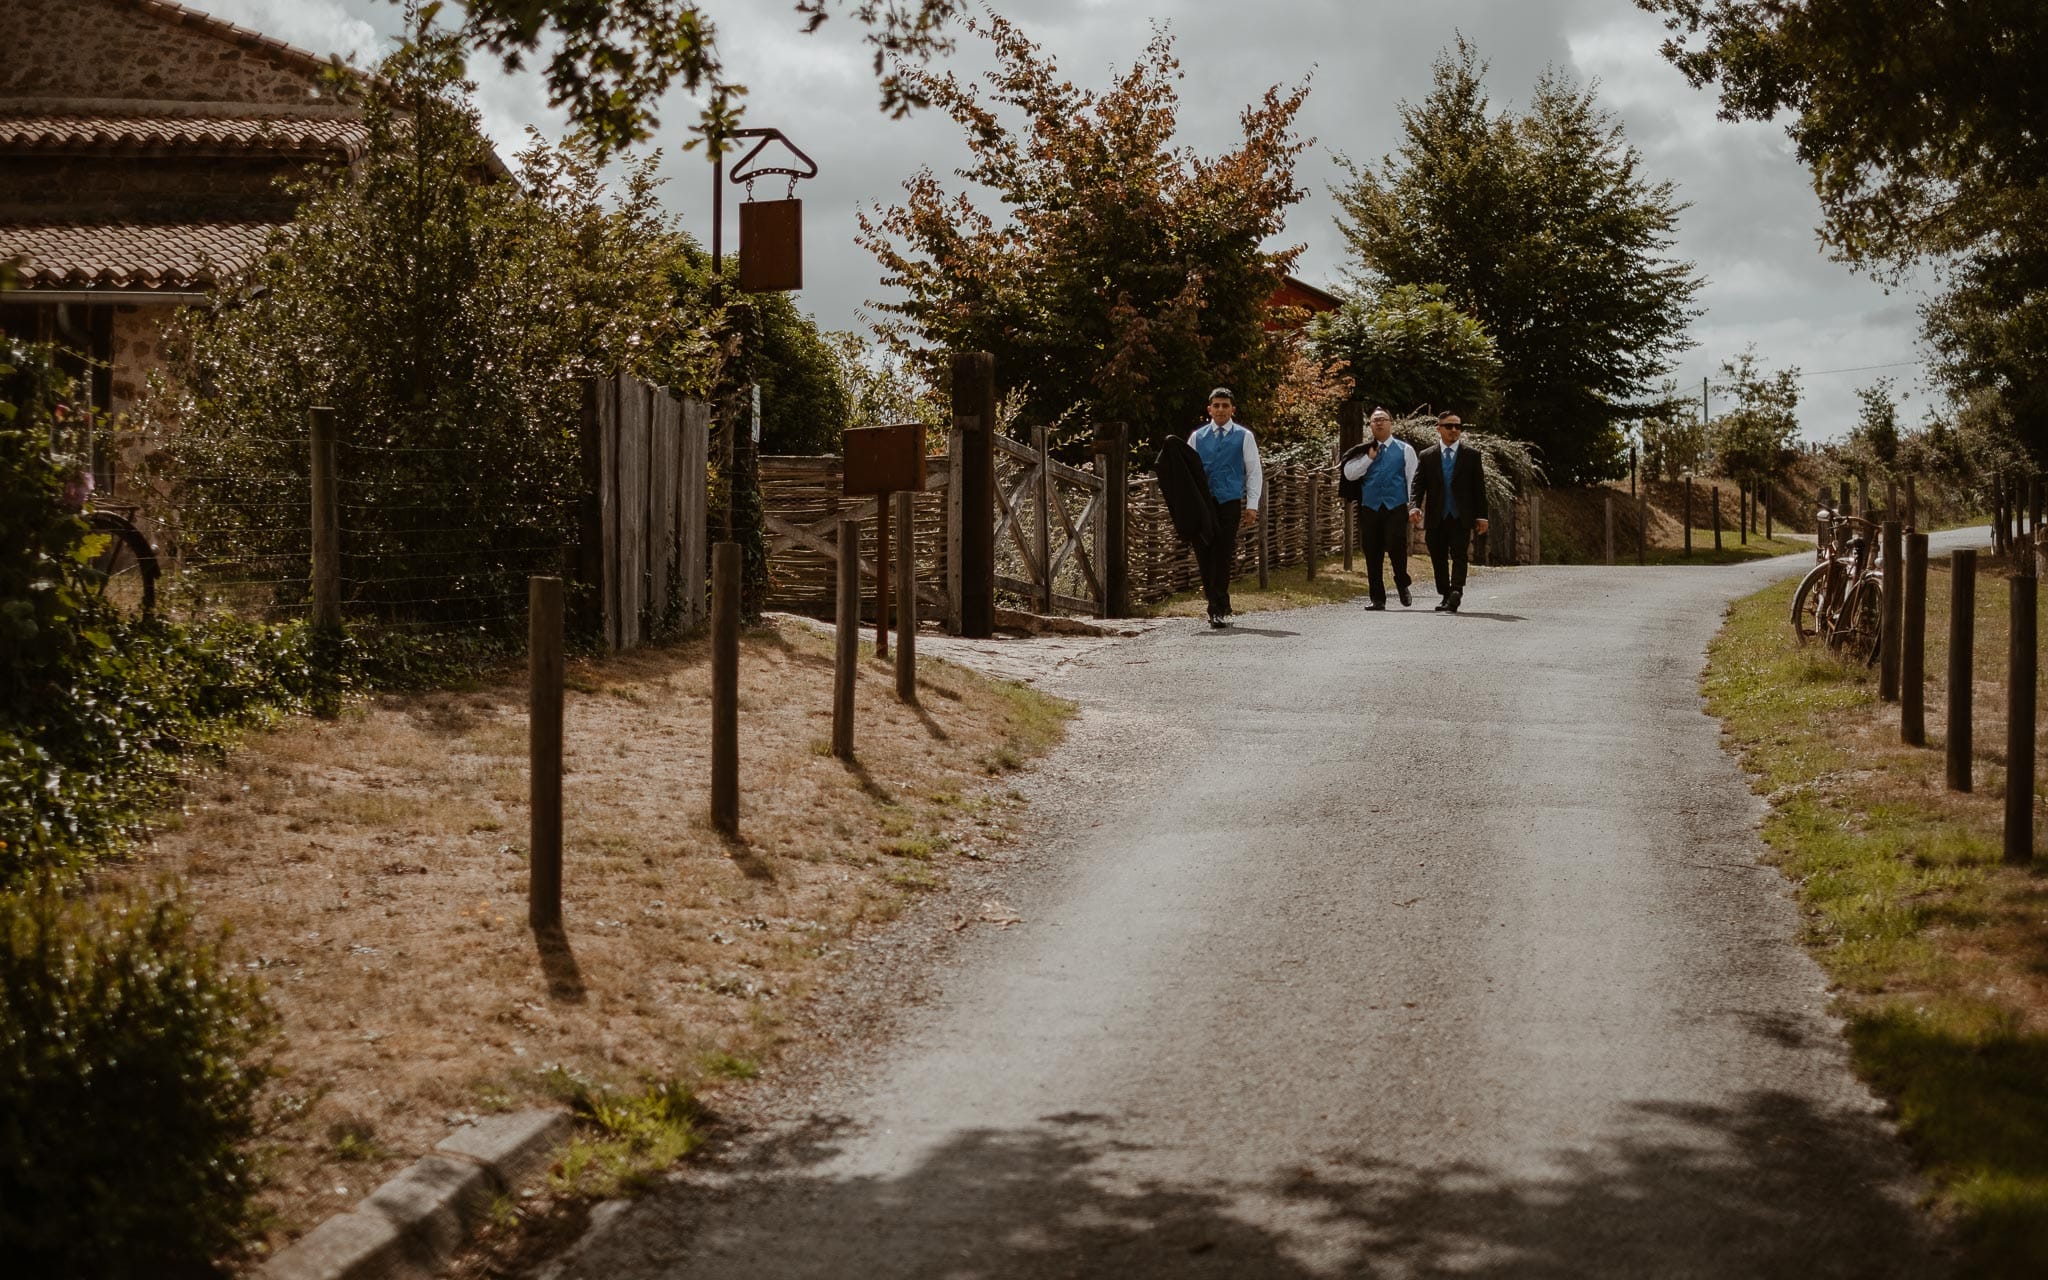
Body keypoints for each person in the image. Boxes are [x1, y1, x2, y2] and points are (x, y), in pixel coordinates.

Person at [1188, 387, 1263, 627]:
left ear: (1233, 409)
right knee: (1203, 552)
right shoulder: (1197, 437)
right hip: (1203, 504)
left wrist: (1252, 504)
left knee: (1222, 552)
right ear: (1209, 409)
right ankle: (1219, 601)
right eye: (1216, 405)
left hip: (1229, 501)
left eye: (1225, 405)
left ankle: (1215, 609)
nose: (1221, 410)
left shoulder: (1244, 436)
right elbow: (1188, 473)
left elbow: (1253, 472)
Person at [1339, 408, 1419, 609]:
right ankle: (1377, 598)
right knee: (1372, 552)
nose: (1379, 423)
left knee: (1396, 547)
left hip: (1395, 506)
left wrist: (1413, 507)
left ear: (1391, 423)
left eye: (1383, 419)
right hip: (1370, 507)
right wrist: (1369, 459)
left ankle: (1402, 582)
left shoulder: (1405, 450)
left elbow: (1412, 480)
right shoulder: (1363, 450)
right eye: (1375, 421)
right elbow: (1349, 474)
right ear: (1370, 425)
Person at [1410, 411, 1488, 613]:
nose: (1454, 430)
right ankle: (1445, 593)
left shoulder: (1471, 455)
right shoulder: (1427, 456)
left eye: (1457, 426)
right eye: (1449, 426)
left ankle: (1456, 591)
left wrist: (1482, 516)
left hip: (1461, 515)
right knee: (1437, 555)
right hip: (1437, 515)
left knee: (1460, 554)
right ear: (1439, 428)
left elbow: (1479, 488)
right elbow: (1418, 485)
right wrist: (1415, 506)